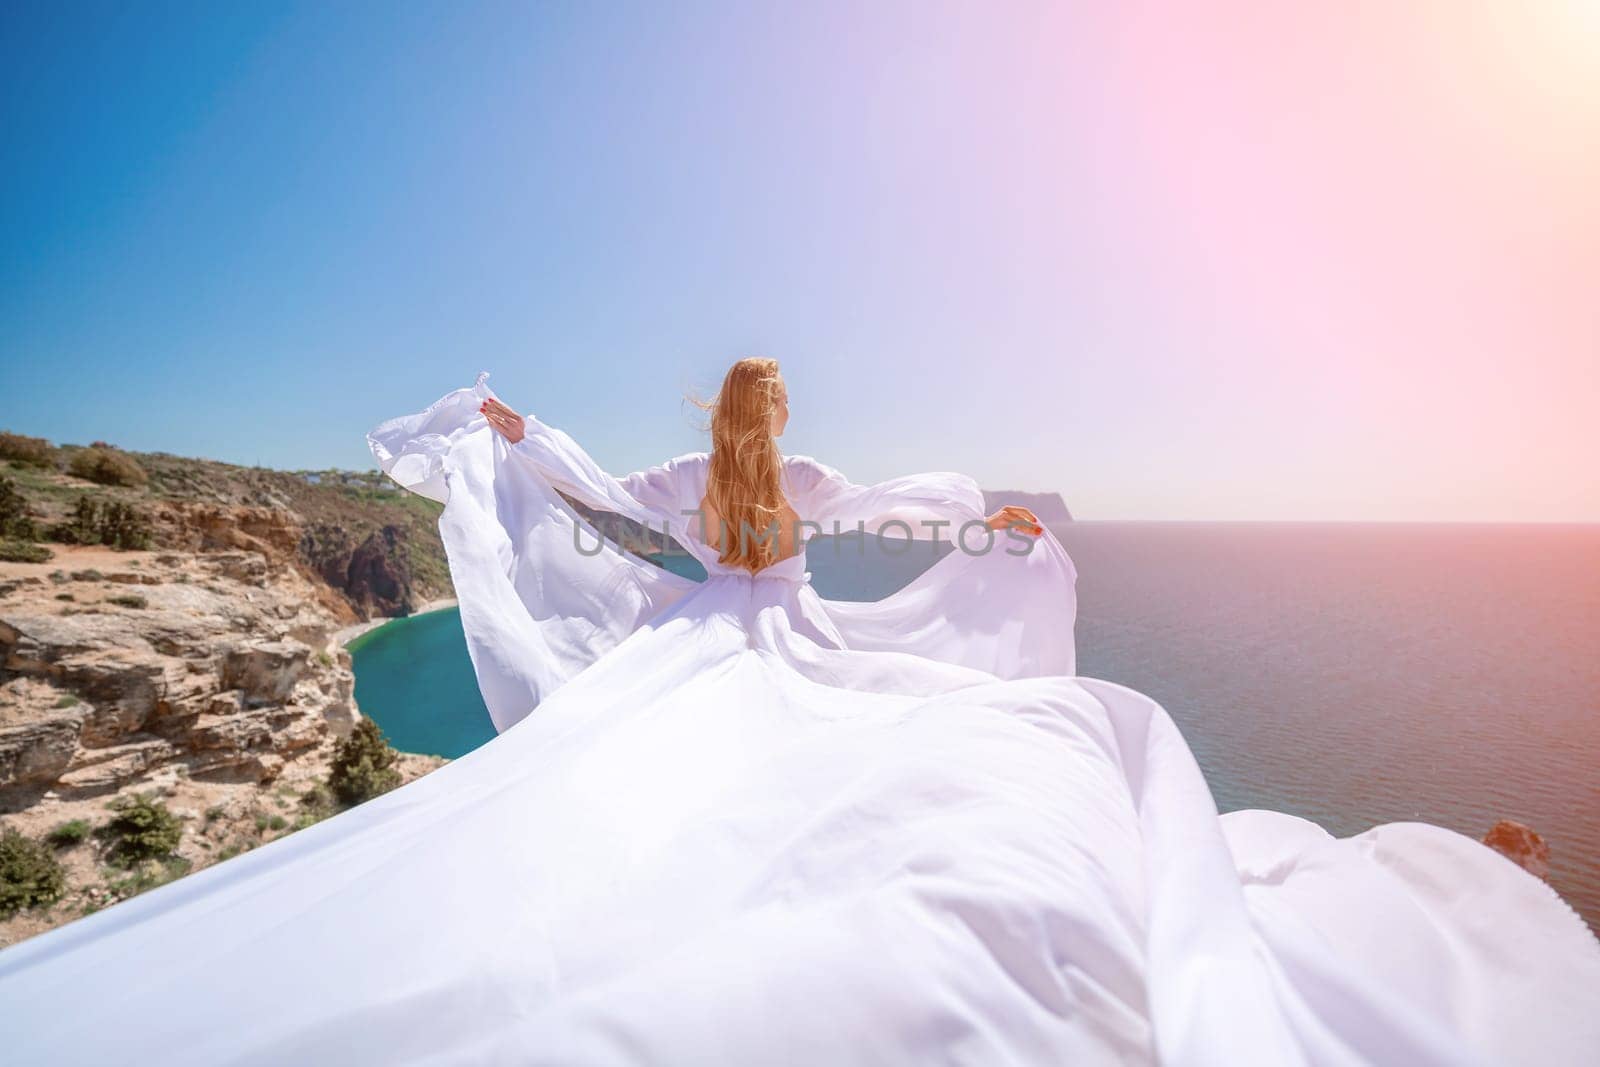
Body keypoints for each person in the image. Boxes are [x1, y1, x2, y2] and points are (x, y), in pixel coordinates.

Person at [2, 358, 1596, 1065]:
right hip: (796, 633)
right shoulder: (803, 479)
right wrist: (1003, 533)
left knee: (646, 796)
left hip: (703, 637)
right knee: (871, 760)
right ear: (782, 419)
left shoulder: (691, 479)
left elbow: (588, 505)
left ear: (719, 418)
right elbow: (897, 521)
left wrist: (515, 430)